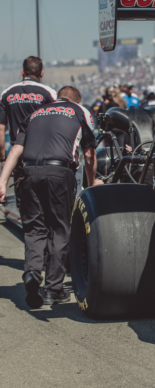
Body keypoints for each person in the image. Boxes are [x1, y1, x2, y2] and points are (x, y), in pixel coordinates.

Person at [0, 86, 102, 309]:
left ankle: (32, 273)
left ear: (56, 98)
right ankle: (53, 290)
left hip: (28, 173)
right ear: (77, 100)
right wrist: (91, 182)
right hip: (59, 172)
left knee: (34, 229)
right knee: (58, 229)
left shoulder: (35, 113)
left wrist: (1, 181)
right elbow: (89, 153)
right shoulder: (79, 111)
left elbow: (16, 150)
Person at [0, 56, 57, 207]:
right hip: (44, 153)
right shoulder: (49, 93)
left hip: (18, 154)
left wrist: (3, 158)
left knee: (23, 201)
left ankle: (27, 228)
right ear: (42, 73)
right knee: (45, 198)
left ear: (22, 71)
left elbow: (0, 128)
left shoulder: (7, 93)